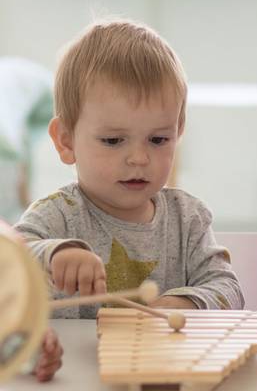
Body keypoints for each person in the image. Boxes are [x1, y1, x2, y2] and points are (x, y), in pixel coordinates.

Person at [14, 19, 244, 318]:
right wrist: (54, 254)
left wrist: (185, 304)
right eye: (113, 140)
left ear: (179, 132)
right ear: (66, 141)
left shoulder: (187, 219)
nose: (139, 158)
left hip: (165, 364)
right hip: (72, 364)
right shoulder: (57, 216)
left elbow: (228, 289)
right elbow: (11, 260)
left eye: (158, 139)